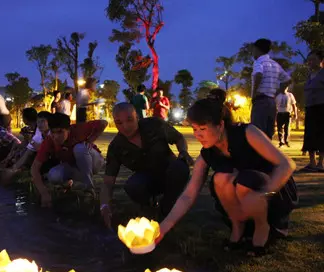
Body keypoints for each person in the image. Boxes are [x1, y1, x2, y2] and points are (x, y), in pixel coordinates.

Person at [156, 98, 297, 256]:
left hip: (274, 190)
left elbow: (287, 164)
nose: (198, 135)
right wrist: (164, 227)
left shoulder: (247, 133)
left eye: (203, 128)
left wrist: (265, 193)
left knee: (244, 181)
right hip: (245, 197)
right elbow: (188, 195)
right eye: (194, 129)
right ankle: (238, 228)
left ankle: (262, 227)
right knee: (220, 179)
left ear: (221, 125)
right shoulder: (207, 154)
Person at [100, 103, 193, 228]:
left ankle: (167, 207)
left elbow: (178, 138)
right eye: (119, 123)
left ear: (137, 117)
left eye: (129, 120)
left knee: (180, 168)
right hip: (147, 179)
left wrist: (183, 152)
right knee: (132, 186)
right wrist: (104, 206)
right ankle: (149, 205)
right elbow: (108, 183)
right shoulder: (116, 147)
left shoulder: (154, 125)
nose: (125, 127)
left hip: (170, 171)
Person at [31, 113, 107, 207]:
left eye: (60, 132)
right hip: (75, 167)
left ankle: (89, 189)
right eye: (53, 132)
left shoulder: (79, 129)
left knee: (79, 148)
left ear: (68, 130)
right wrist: (44, 193)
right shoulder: (49, 141)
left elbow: (103, 123)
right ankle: (67, 184)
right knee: (53, 175)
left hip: (94, 162)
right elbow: (34, 167)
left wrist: (91, 140)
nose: (56, 136)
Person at [251, 38, 292, 139]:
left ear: (257, 49)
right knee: (268, 133)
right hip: (272, 102)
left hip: (261, 100)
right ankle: (267, 153)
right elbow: (287, 79)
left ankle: (258, 154)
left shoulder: (259, 62)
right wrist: (277, 92)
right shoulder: (275, 64)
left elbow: (258, 74)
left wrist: (254, 93)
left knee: (257, 132)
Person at [300, 50, 324, 172]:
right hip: (310, 108)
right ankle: (311, 162)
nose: (310, 62)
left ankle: (321, 163)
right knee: (309, 134)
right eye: (309, 60)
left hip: (321, 108)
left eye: (313, 59)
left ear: (321, 61)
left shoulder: (322, 73)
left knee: (321, 134)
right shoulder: (309, 75)